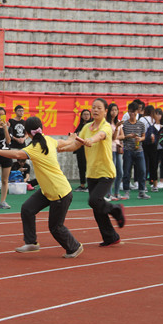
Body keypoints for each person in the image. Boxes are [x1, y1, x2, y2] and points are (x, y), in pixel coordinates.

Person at [0, 117, 83, 258]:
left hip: (60, 192)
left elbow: (16, 154)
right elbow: (65, 142)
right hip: (48, 190)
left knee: (56, 227)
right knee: (27, 209)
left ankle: (74, 247)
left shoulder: (34, 148)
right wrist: (72, 138)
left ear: (27, 133)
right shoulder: (49, 140)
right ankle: (31, 243)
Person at [59, 98, 125, 247]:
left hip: (106, 172)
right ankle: (111, 236)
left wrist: (92, 140)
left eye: (99, 108)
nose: (95, 110)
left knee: (94, 201)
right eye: (93, 107)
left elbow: (100, 135)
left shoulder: (107, 126)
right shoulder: (86, 127)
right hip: (92, 173)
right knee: (96, 208)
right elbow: (75, 144)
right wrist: (61, 148)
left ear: (105, 111)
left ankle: (116, 209)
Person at [121, 104, 149, 200]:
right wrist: (129, 136)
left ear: (137, 112)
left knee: (142, 170)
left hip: (139, 150)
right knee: (127, 171)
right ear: (128, 112)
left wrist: (140, 138)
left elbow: (144, 136)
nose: (132, 114)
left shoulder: (141, 124)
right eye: (131, 112)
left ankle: (141, 191)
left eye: (134, 112)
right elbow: (122, 137)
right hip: (128, 150)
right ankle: (126, 191)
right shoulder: (124, 124)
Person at [106, 103, 124, 200]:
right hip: (110, 149)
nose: (114, 112)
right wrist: (116, 128)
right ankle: (109, 193)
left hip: (117, 148)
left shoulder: (118, 122)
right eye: (112, 110)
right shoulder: (107, 124)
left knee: (120, 172)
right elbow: (112, 137)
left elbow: (122, 136)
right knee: (111, 172)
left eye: (116, 110)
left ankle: (116, 193)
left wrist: (117, 136)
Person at [73, 109, 92, 192]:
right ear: (81, 116)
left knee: (88, 167)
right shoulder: (80, 125)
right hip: (80, 149)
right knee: (81, 166)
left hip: (88, 149)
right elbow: (75, 134)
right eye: (84, 114)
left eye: (88, 114)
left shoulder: (91, 125)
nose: (86, 116)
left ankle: (89, 185)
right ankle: (82, 184)